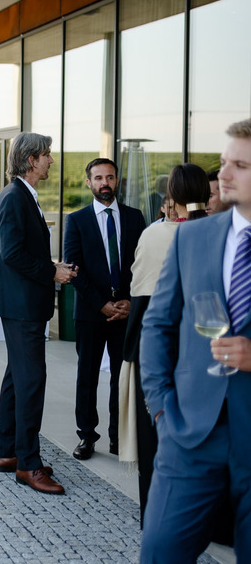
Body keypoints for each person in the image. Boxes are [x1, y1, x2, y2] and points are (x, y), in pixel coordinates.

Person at [140, 118, 251, 561]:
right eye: (225, 162)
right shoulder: (191, 236)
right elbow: (157, 325)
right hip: (189, 432)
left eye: (239, 165)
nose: (222, 175)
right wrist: (162, 408)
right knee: (160, 553)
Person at [0, 133, 75, 495]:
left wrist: (50, 266)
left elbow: (20, 251)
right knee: (31, 382)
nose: (51, 160)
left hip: (24, 304)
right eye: (47, 155)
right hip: (22, 306)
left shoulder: (21, 195)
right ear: (30, 160)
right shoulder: (14, 197)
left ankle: (7, 452)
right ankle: (29, 464)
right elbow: (12, 254)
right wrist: (52, 270)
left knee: (17, 378)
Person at [123, 163, 210, 522]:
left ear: (170, 195)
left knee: (153, 435)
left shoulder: (154, 235)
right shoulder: (215, 233)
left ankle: (154, 514)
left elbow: (138, 291)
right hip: (202, 350)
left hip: (157, 347)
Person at [63, 157, 146, 461]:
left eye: (109, 177)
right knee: (87, 376)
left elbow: (142, 263)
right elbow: (73, 268)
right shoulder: (77, 220)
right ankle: (86, 436)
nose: (104, 183)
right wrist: (101, 304)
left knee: (120, 376)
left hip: (125, 310)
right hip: (90, 312)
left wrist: (130, 300)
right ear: (89, 183)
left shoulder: (136, 218)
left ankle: (117, 437)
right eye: (98, 178)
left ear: (117, 181)